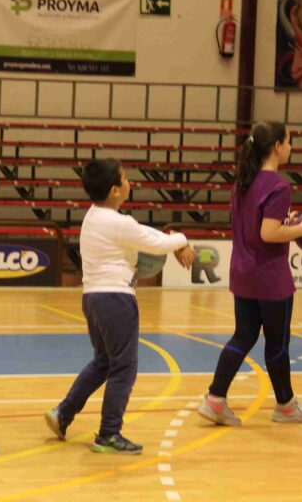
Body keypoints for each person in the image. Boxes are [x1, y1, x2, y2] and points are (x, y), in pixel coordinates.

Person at [45, 158, 196, 454]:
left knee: (104, 361)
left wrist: (175, 243)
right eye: (125, 179)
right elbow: (155, 242)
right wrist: (182, 240)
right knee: (124, 367)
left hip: (92, 298)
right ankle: (108, 434)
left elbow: (146, 238)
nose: (130, 184)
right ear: (115, 189)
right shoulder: (118, 223)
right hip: (116, 299)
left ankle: (64, 412)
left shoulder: (93, 216)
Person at [197, 121, 302, 426]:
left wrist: (287, 221)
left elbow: (260, 225)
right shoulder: (279, 185)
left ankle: (215, 399)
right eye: (289, 142)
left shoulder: (242, 182)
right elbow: (268, 233)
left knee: (243, 336)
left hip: (243, 273)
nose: (291, 148)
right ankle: (285, 406)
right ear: (277, 147)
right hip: (270, 278)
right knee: (277, 343)